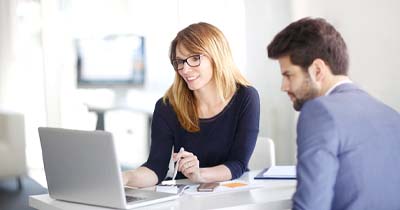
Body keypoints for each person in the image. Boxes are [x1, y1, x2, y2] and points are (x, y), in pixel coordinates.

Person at [267, 17, 400, 210]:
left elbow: (311, 206)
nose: (283, 87)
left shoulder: (319, 112)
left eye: (288, 75)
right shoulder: (391, 114)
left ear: (317, 70)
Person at [123, 22, 260, 187]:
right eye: (180, 61)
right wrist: (126, 177)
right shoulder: (167, 107)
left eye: (195, 58)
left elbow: (238, 164)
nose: (185, 69)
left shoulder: (245, 97)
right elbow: (155, 168)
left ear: (216, 56)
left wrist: (199, 174)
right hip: (186, 198)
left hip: (232, 193)